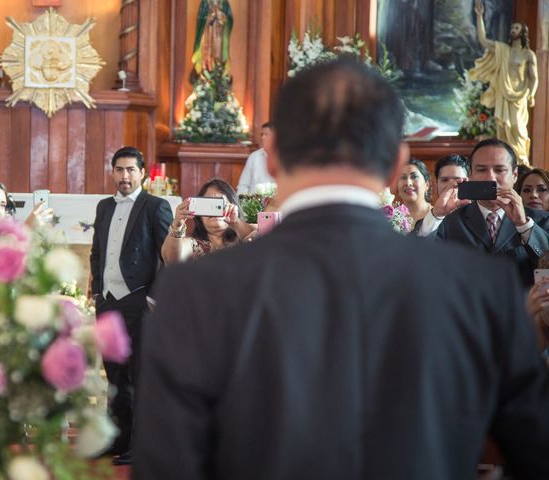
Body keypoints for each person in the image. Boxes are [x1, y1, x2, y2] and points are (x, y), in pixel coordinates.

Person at [134, 59, 549, 479]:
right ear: (394, 162)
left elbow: (166, 467)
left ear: (272, 157)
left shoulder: (195, 290)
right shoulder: (480, 287)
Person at [89, 146, 172, 465]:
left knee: (138, 374)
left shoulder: (156, 206)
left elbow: (167, 254)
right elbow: (97, 251)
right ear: (112, 172)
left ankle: (141, 446)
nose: (124, 176)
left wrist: (154, 296)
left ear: (141, 174)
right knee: (114, 375)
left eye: (131, 170)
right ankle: (117, 440)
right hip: (108, 300)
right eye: (119, 170)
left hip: (138, 299)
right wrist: (98, 289)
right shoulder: (103, 207)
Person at [418, 138, 549, 287]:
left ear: (514, 175)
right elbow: (416, 260)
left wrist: (524, 226)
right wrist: (436, 215)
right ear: (471, 175)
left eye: (499, 170)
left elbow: (546, 269)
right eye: (481, 170)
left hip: (523, 309)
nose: (491, 177)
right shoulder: (448, 223)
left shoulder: (541, 221)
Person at [470, 0, 538, 164]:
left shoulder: (529, 55)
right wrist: (480, 17)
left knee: (518, 128)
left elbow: (534, 77)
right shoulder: (503, 50)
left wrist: (531, 95)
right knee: (504, 130)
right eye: (512, 28)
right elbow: (483, 40)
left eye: (517, 28)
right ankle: (507, 163)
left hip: (520, 96)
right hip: (504, 93)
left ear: (523, 33)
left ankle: (522, 162)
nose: (513, 30)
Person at [161, 178, 254, 264]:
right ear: (199, 215)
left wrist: (236, 222)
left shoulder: (245, 238)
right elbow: (171, 260)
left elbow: (262, 241)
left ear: (233, 206)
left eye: (219, 205)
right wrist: (177, 224)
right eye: (208, 205)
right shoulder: (194, 245)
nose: (214, 212)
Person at [191, 0, 233, 74]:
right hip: (207, 33)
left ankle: (218, 69)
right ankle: (205, 69)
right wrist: (208, 17)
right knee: (206, 49)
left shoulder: (224, 3)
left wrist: (222, 17)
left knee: (218, 52)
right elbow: (201, 21)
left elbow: (229, 19)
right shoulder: (205, 2)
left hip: (219, 34)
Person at [237, 122, 275, 194]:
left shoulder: (283, 157)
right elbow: (243, 185)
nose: (262, 137)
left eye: (266, 134)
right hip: (254, 203)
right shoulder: (254, 157)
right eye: (262, 134)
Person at [396, 158, 431, 223]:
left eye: (414, 177)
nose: (408, 183)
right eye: (403, 177)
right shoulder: (390, 218)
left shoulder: (437, 216)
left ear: (427, 185)